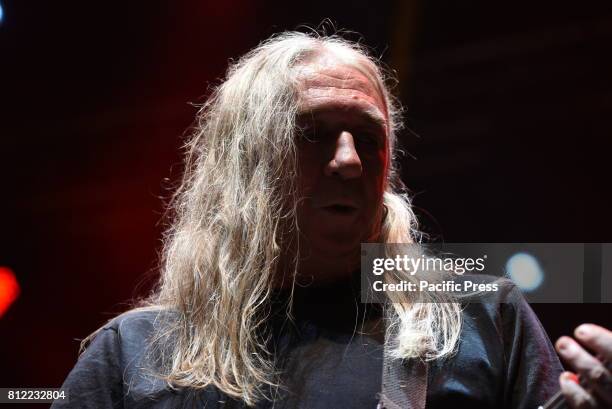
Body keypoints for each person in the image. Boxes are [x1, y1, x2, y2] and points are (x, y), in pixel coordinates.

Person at [52, 31, 612, 409]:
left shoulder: (481, 316)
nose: (349, 161)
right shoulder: (134, 350)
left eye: (368, 138)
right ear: (245, 160)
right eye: (312, 134)